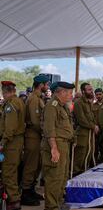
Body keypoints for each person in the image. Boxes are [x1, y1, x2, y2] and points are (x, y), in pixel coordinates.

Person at [41, 81, 75, 210]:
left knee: (62, 176)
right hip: (55, 144)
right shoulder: (52, 106)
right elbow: (49, 129)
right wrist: (54, 148)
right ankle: (51, 206)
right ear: (62, 92)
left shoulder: (63, 106)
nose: (71, 95)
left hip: (63, 144)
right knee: (54, 178)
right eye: (69, 93)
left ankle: (58, 203)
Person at [21, 75, 49, 206]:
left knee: (37, 164)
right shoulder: (33, 99)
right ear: (41, 85)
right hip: (32, 136)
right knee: (31, 165)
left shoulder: (38, 98)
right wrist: (46, 132)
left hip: (37, 136)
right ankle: (25, 192)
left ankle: (31, 189)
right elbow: (34, 121)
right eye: (46, 84)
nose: (47, 87)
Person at [0, 81, 26, 210]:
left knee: (8, 172)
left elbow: (10, 127)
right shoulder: (18, 101)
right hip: (17, 141)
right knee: (13, 171)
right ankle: (14, 199)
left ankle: (13, 201)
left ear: (5, 91)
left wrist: (3, 142)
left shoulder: (11, 104)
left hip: (12, 143)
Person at [72, 83, 99, 176]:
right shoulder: (78, 103)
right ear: (83, 91)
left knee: (89, 155)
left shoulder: (89, 103)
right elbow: (81, 120)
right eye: (89, 90)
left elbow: (92, 117)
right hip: (82, 135)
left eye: (92, 89)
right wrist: (93, 126)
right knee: (80, 157)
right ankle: (74, 177)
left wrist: (95, 125)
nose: (92, 91)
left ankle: (83, 176)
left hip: (90, 135)